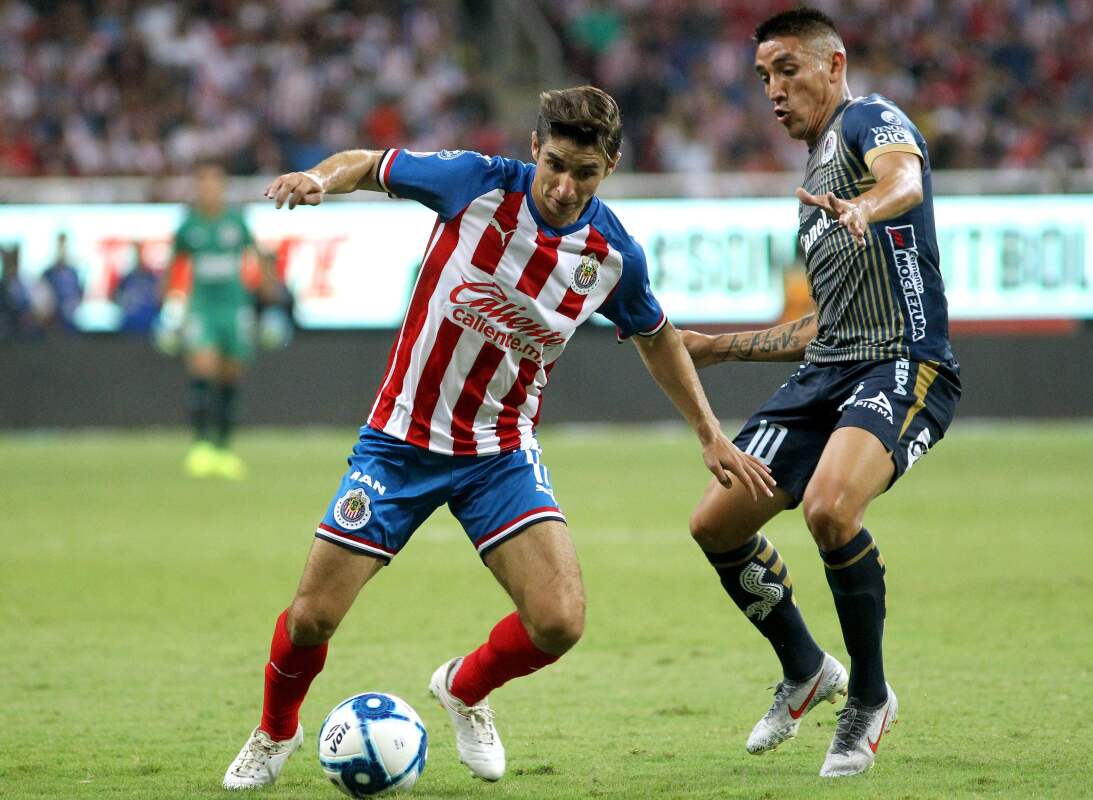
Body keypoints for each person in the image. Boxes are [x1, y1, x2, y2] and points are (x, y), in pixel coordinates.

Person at [221, 86, 774, 790]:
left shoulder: (611, 254)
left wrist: (709, 431)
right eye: (557, 165)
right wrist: (318, 179)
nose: (567, 186)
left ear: (611, 168)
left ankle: (465, 688)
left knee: (559, 622)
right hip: (400, 442)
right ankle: (275, 731)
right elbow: (367, 163)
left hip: (500, 454)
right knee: (311, 620)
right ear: (535, 149)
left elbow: (657, 335)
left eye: (587, 173)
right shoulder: (475, 184)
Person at [680, 8, 962, 778]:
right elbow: (819, 328)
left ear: (833, 65)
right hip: (828, 372)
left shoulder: (871, 120)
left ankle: (869, 698)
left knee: (831, 511)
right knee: (716, 524)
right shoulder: (812, 182)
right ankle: (807, 668)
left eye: (787, 69)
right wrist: (715, 348)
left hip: (904, 363)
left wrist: (866, 206)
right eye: (764, 76)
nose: (773, 89)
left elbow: (903, 177)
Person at [163, 163, 271, 480]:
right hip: (202, 308)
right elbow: (174, 264)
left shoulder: (236, 222)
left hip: (234, 307)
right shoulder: (188, 227)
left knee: (230, 375)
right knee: (203, 367)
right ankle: (200, 447)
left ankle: (223, 449)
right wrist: (168, 305)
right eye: (204, 184)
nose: (210, 190)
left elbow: (256, 256)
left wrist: (270, 300)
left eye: (215, 184)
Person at [31, 232, 84, 332]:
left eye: (65, 245)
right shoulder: (48, 273)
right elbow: (41, 299)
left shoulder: (73, 272)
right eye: (60, 245)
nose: (62, 249)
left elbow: (79, 295)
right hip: (51, 321)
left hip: (70, 321)